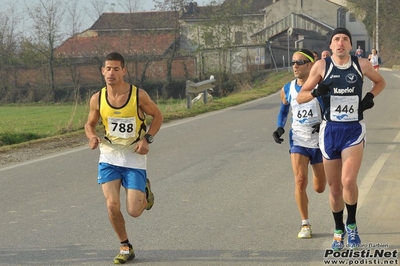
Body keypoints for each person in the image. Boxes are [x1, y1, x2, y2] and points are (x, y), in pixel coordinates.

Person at [296, 28, 386, 251]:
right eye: (336, 39)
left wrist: (369, 97)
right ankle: (339, 229)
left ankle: (352, 225)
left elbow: (380, 82)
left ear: (350, 44)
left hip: (353, 130)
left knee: (348, 182)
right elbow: (300, 96)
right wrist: (317, 92)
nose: (341, 43)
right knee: (335, 189)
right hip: (330, 131)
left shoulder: (361, 64)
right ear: (330, 45)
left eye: (345, 39)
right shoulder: (321, 67)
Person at [84, 52, 163, 264]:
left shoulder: (138, 96)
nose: (111, 73)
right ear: (102, 71)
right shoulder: (97, 98)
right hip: (109, 156)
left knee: (134, 211)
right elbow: (89, 124)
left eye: (116, 69)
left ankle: (145, 189)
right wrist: (92, 136)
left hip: (133, 157)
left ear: (124, 71)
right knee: (112, 205)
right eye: (108, 69)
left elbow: (158, 116)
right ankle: (125, 246)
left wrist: (147, 139)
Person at [272, 48, 326, 239]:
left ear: (311, 65)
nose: (295, 66)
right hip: (299, 140)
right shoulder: (288, 88)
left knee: (320, 188)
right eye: (293, 62)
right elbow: (284, 110)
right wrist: (280, 127)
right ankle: (305, 224)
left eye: (300, 62)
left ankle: (314, 168)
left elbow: (330, 109)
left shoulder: (320, 86)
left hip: (319, 142)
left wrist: (323, 124)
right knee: (300, 180)